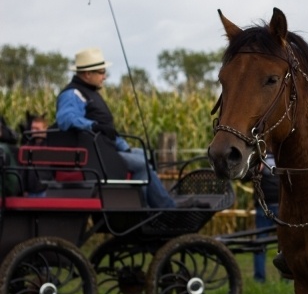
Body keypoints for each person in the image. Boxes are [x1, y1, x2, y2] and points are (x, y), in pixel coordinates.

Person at [56, 47, 202, 209]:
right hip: (93, 157)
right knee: (141, 163)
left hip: (105, 150)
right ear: (87, 74)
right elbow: (65, 119)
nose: (105, 76)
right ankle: (158, 208)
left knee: (144, 155)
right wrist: (94, 126)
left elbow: (108, 131)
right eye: (101, 72)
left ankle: (151, 206)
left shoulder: (89, 92)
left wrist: (125, 147)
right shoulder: (73, 94)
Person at [253, 154, 280, 283]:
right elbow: (244, 176)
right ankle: (259, 278)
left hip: (282, 206)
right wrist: (256, 170)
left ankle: (287, 278)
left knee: (286, 244)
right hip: (263, 207)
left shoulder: (281, 153)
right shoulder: (259, 155)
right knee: (260, 243)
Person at [21, 113, 49, 197]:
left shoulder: (50, 146)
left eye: (37, 129)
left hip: (46, 190)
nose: (34, 131)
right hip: (30, 191)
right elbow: (24, 170)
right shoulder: (27, 146)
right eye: (33, 128)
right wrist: (24, 189)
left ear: (45, 129)